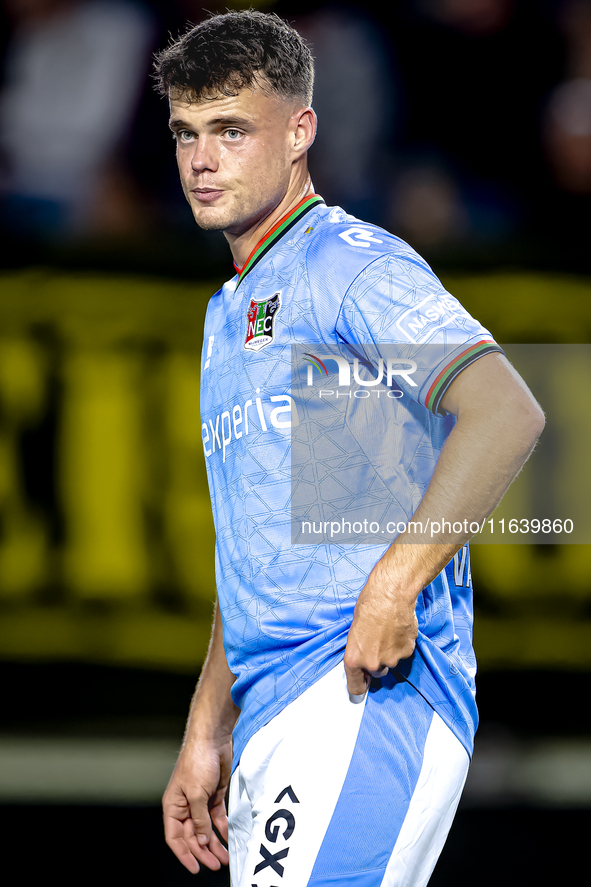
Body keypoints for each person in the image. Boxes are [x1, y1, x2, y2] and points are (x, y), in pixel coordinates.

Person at [153, 10, 544, 887]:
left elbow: (506, 410)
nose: (200, 160)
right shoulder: (229, 312)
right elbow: (257, 546)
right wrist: (207, 723)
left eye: (228, 129)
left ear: (300, 132)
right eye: (185, 132)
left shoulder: (349, 263)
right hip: (277, 710)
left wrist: (393, 582)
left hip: (368, 696)